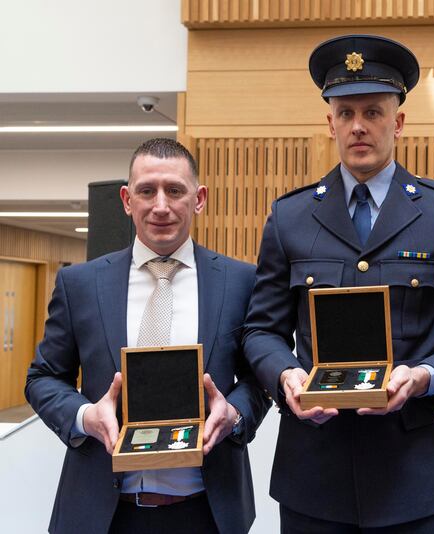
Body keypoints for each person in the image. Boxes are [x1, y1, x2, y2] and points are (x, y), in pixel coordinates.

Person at [243, 34, 434, 532]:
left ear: (398, 122)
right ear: (330, 123)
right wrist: (285, 376)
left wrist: (426, 376)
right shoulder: (290, 217)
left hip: (415, 472)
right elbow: (260, 331)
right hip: (314, 471)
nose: (358, 126)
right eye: (346, 113)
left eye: (374, 112)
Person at [26, 138, 270, 534]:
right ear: (126, 199)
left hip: (209, 512)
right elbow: (42, 378)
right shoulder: (80, 284)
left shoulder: (241, 282)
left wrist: (234, 415)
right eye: (146, 191)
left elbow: (259, 380)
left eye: (175, 190)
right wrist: (87, 416)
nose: (161, 205)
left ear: (199, 198)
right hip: (102, 513)